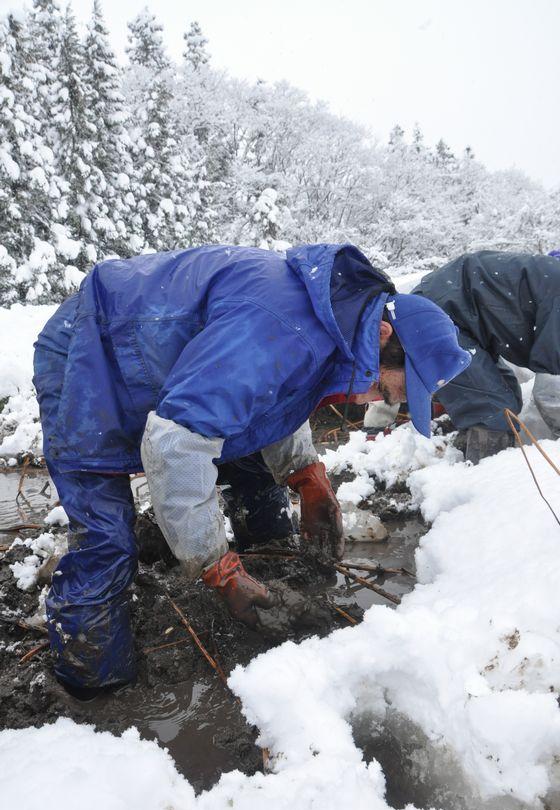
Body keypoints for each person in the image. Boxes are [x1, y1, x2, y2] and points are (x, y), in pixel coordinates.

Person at [33, 243, 471, 695]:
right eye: (383, 387)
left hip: (163, 367)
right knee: (106, 539)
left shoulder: (335, 321)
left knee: (252, 463)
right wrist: (214, 566)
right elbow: (175, 443)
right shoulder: (283, 324)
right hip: (91, 348)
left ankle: (271, 568)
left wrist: (306, 474)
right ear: (381, 335)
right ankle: (94, 689)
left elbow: (273, 397)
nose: (373, 402)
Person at [364, 250, 560, 463]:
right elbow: (544, 394)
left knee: (500, 401)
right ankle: (486, 476)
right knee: (491, 407)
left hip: (450, 304)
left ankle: (475, 465)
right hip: (452, 308)